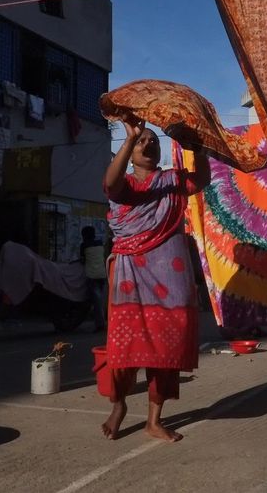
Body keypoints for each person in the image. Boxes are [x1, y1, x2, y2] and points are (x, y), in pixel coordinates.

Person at [101, 114, 210, 442]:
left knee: (166, 350)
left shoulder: (172, 181)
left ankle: (154, 420)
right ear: (131, 152)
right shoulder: (126, 186)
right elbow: (110, 185)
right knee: (123, 349)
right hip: (130, 274)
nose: (148, 143)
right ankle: (118, 405)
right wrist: (129, 136)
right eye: (141, 141)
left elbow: (201, 179)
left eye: (153, 140)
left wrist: (198, 148)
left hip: (170, 276)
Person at [80, 225, 106, 331]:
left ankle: (100, 325)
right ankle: (101, 322)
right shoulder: (100, 243)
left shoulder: (84, 245)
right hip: (102, 275)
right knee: (100, 300)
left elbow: (82, 260)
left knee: (96, 302)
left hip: (92, 276)